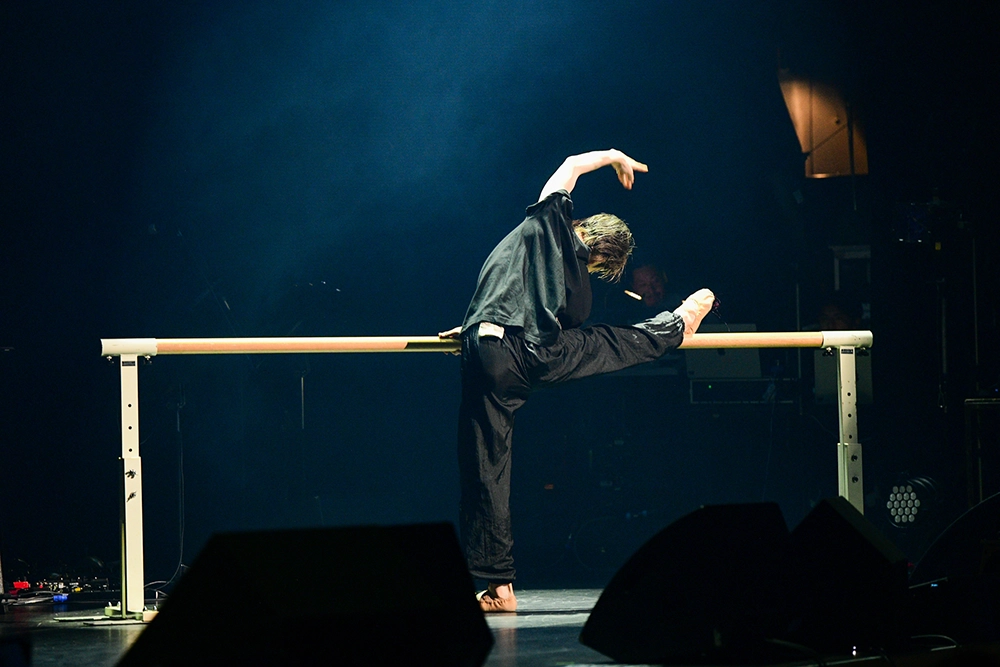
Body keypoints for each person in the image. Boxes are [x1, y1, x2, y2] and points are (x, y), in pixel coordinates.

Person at [439, 149, 715, 612]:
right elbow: (554, 328)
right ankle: (675, 326)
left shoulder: (544, 219)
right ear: (598, 250)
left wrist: (612, 157)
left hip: (483, 351)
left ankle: (500, 587)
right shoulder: (572, 271)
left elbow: (570, 165)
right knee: (606, 342)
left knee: (486, 467)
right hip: (529, 354)